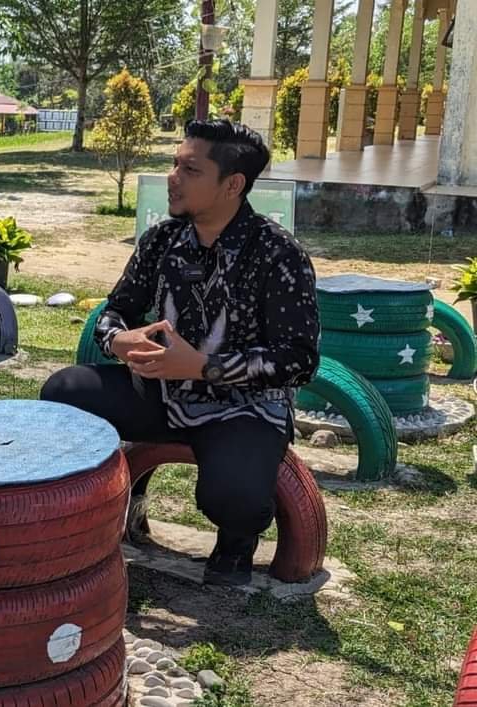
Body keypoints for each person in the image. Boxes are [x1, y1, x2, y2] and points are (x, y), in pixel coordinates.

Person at [41, 120, 319, 587]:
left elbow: (299, 360)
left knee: (234, 497)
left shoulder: (278, 254)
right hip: (160, 393)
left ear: (233, 185)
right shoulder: (162, 240)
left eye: (190, 169)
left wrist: (205, 367)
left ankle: (236, 542)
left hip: (243, 409)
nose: (173, 177)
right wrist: (118, 340)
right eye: (174, 164)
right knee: (64, 392)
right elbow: (117, 311)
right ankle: (102, 512)